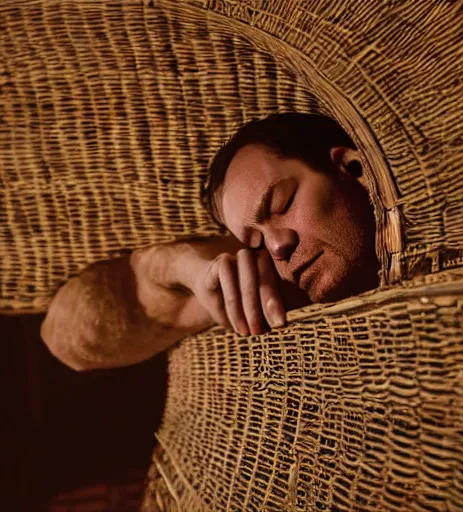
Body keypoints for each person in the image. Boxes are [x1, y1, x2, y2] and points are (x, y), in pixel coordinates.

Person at [41, 113, 379, 371]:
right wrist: (184, 268)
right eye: (256, 241)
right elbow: (69, 340)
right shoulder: (278, 283)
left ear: (350, 165)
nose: (277, 247)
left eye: (281, 204)